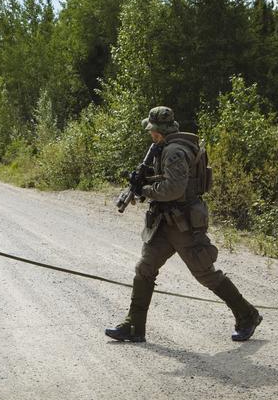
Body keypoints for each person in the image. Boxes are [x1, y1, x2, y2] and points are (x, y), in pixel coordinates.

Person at [105, 107, 262, 343]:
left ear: (158, 131)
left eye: (151, 130)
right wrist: (141, 184)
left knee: (205, 274)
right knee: (144, 269)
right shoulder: (164, 147)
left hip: (184, 224)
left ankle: (247, 315)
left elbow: (173, 189)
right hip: (163, 223)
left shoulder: (175, 151)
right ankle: (134, 326)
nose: (150, 134)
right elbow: (166, 183)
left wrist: (144, 190)